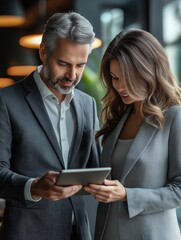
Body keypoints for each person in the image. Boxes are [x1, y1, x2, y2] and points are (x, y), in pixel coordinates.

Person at [0, 12, 101, 240]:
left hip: (79, 232)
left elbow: (96, 168)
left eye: (80, 65)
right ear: (44, 52)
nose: (72, 75)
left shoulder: (88, 104)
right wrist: (34, 187)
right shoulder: (6, 101)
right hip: (28, 232)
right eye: (64, 64)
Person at [85, 28, 181, 240]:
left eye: (126, 78)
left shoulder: (174, 116)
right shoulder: (119, 116)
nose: (119, 87)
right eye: (114, 77)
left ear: (148, 70)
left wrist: (128, 195)